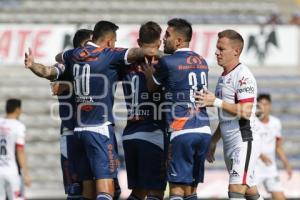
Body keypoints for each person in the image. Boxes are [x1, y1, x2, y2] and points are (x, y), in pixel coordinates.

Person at [25, 20, 160, 200]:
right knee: (107, 190)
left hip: (77, 132)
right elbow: (148, 51)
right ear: (110, 41)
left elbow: (52, 65)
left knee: (86, 191)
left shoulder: (72, 56)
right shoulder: (109, 54)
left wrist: (33, 65)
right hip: (99, 129)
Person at [145, 18, 211, 200]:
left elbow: (152, 87)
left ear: (179, 41)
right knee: (191, 190)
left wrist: (149, 72)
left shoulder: (168, 62)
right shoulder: (202, 61)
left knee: (176, 189)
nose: (164, 39)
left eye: (167, 35)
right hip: (204, 129)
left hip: (182, 129)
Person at [195, 29, 263, 200]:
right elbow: (227, 114)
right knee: (250, 192)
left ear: (236, 51)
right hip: (230, 144)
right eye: (217, 48)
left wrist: (215, 102)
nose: (217, 52)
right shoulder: (223, 77)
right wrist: (214, 139)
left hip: (244, 141)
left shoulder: (243, 75)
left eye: (221, 49)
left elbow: (246, 111)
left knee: (235, 191)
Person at [120, 21, 166, 200]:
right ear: (159, 43)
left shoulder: (124, 63)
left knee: (138, 192)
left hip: (130, 134)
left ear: (139, 42)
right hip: (153, 133)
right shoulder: (165, 65)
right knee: (156, 191)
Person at [255, 93, 292, 200]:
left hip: (270, 168)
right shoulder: (252, 122)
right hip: (255, 168)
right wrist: (261, 155)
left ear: (270, 106)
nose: (263, 107)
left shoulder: (276, 123)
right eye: (261, 104)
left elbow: (278, 146)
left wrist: (286, 162)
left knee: (280, 197)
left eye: (266, 104)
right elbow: (248, 144)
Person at [0, 99, 31, 200]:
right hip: (12, 171)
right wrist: (26, 174)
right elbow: (20, 151)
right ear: (17, 110)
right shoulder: (18, 126)